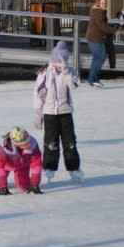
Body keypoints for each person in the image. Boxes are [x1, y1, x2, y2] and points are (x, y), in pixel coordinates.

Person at [33, 40, 83, 184]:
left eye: (62, 63)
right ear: (52, 60)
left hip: (66, 112)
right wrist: (38, 114)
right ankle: (49, 169)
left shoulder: (70, 71)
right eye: (56, 63)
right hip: (49, 114)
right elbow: (38, 95)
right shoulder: (44, 74)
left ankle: (74, 168)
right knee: (50, 142)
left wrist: (66, 72)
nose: (58, 66)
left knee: (70, 142)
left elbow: (74, 85)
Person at [0, 127, 43, 195]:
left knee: (24, 187)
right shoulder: (3, 148)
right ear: (16, 144)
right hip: (5, 166)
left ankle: (28, 182)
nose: (28, 145)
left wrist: (35, 183)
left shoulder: (33, 144)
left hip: (23, 165)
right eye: (24, 144)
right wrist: (2, 186)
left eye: (28, 141)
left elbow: (36, 164)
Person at [85, 0, 120, 88]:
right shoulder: (98, 12)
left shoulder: (100, 12)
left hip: (95, 38)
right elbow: (101, 25)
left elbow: (102, 24)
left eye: (105, 3)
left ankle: (93, 79)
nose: (104, 5)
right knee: (101, 57)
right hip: (95, 39)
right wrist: (114, 30)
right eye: (102, 3)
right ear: (98, 4)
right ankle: (93, 79)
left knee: (97, 58)